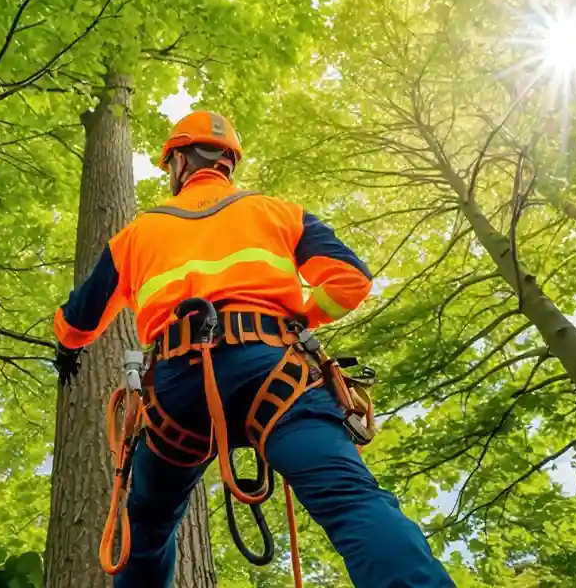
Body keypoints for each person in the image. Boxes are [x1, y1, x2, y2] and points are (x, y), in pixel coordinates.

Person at [53, 111, 454, 587]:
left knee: (147, 530)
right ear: (227, 162)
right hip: (276, 372)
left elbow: (75, 322)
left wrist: (68, 350)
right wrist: (298, 320)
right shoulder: (277, 212)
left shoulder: (137, 234)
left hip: (177, 391)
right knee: (352, 502)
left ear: (179, 160)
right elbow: (350, 279)